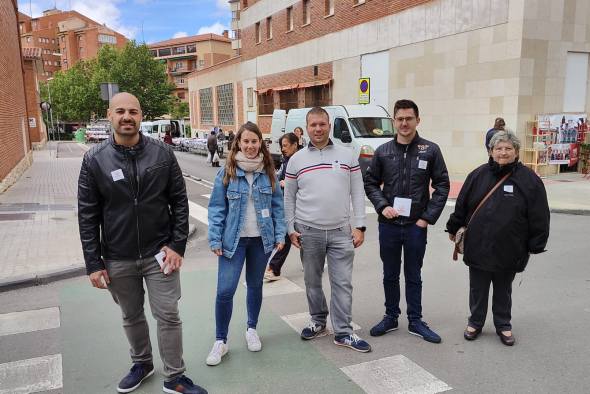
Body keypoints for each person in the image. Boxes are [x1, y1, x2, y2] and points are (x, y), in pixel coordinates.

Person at [78, 92, 207, 394]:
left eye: (133, 111)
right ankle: (143, 363)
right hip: (117, 257)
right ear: (109, 115)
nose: (127, 117)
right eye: (120, 111)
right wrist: (94, 263)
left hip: (159, 253)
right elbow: (88, 215)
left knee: (168, 314)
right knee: (131, 315)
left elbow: (179, 202)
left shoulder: (162, 154)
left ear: (141, 116)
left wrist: (177, 245)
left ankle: (174, 376)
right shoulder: (93, 160)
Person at [447, 131, 550, 346]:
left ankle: (503, 325)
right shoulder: (477, 175)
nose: (503, 152)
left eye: (508, 148)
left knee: (504, 288)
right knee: (478, 287)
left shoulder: (529, 179)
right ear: (491, 151)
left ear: (517, 152)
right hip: (478, 243)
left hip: (510, 246)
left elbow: (539, 213)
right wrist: (453, 227)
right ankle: (475, 322)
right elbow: (463, 205)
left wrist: (536, 243)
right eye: (499, 148)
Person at [284, 107, 371, 353]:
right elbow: (288, 198)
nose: (318, 129)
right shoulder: (296, 160)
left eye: (322, 124)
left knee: (342, 283)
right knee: (312, 281)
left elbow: (357, 192)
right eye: (313, 125)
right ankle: (319, 321)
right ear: (307, 127)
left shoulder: (347, 156)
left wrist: (361, 226)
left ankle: (343, 332)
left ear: (329, 126)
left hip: (341, 232)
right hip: (307, 231)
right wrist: (290, 228)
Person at [364, 99, 450, 344]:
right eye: (400, 119)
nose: (404, 123)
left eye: (409, 118)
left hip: (415, 226)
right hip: (389, 226)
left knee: (413, 274)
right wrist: (383, 206)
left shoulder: (430, 150)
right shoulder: (383, 152)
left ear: (417, 121)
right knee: (389, 274)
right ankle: (391, 317)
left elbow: (442, 185)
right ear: (394, 122)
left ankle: (415, 320)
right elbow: (370, 183)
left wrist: (426, 218)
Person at [206, 121, 286, 366]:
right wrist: (215, 237)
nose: (250, 146)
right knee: (225, 290)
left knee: (254, 286)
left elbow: (277, 208)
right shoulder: (227, 171)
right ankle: (221, 340)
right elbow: (217, 208)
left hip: (261, 240)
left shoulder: (268, 171)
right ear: (238, 143)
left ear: (260, 143)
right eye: (246, 141)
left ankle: (252, 328)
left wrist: (280, 235)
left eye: (254, 141)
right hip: (233, 241)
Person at [264, 133, 301, 281]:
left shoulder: (301, 160)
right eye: (282, 146)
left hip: (300, 204)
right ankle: (274, 268)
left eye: (285, 145)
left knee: (288, 234)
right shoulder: (287, 160)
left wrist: (288, 183)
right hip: (288, 203)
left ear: (295, 145)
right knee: (293, 234)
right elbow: (281, 175)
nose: (283, 149)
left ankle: (274, 268)